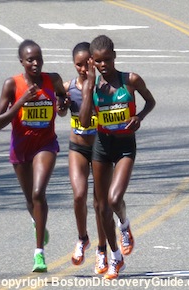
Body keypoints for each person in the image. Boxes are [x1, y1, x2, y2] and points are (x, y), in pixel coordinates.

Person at [79, 35, 156, 280]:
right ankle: (115, 257)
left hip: (124, 145)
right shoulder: (91, 86)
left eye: (108, 60)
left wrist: (139, 117)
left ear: (115, 56)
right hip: (102, 145)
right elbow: (83, 122)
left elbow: (151, 101)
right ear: (92, 61)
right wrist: (90, 84)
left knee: (113, 199)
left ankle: (124, 225)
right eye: (98, 62)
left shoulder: (129, 80)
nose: (104, 65)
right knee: (101, 207)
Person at [0, 39, 69, 272]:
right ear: (21, 62)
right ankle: (39, 223)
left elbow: (62, 98)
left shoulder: (52, 79)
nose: (36, 63)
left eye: (39, 58)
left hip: (45, 144)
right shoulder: (11, 84)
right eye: (30, 60)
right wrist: (21, 101)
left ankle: (39, 254)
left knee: (38, 193)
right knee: (30, 199)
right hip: (21, 148)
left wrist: (62, 106)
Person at [61, 42, 108, 274]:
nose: (82, 68)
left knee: (99, 203)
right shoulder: (69, 87)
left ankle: (102, 250)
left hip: (99, 148)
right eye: (78, 64)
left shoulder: (102, 86)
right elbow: (59, 109)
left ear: (93, 61)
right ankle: (82, 238)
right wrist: (62, 104)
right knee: (79, 195)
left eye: (86, 63)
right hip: (77, 147)